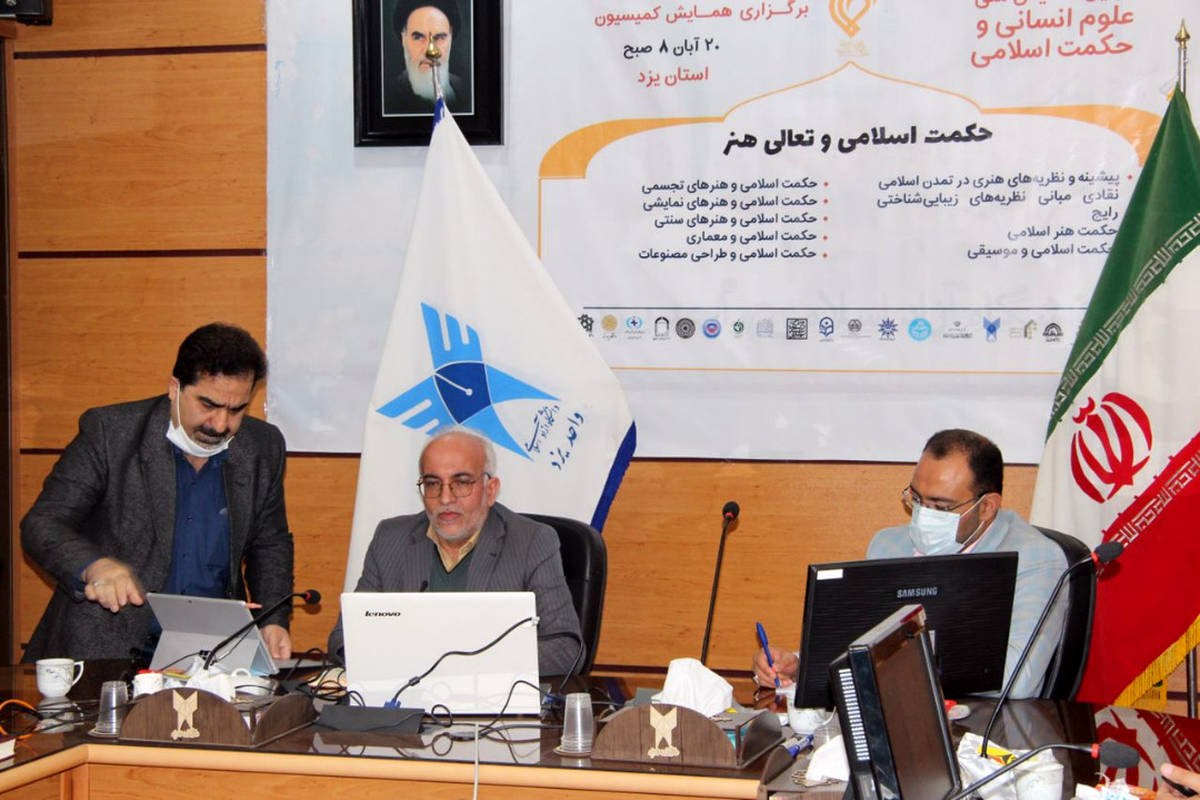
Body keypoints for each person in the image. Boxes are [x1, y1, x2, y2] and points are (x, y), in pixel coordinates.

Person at [21, 323, 294, 663]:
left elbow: (270, 542)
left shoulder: (263, 446)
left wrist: (272, 619)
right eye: (207, 404)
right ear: (174, 388)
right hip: (105, 647)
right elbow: (43, 523)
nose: (221, 424)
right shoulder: (110, 433)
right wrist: (94, 567)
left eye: (236, 409)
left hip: (209, 653)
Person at [754, 429, 1068, 699]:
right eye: (917, 500)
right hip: (903, 719)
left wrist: (897, 660)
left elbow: (1017, 680)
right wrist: (801, 666)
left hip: (989, 731)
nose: (923, 516)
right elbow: (860, 645)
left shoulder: (1037, 559)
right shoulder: (888, 546)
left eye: (941, 507)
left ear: (986, 507)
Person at [328, 427, 583, 675]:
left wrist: (462, 663)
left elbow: (568, 650)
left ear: (490, 490)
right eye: (433, 484)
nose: (445, 498)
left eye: (461, 483)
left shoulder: (531, 542)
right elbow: (343, 638)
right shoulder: (390, 539)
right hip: (404, 697)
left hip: (491, 698)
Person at [384, 1, 469, 115]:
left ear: (451, 38)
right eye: (418, 37)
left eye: (439, 37)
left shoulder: (466, 90)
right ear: (404, 38)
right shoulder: (388, 96)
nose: (431, 52)